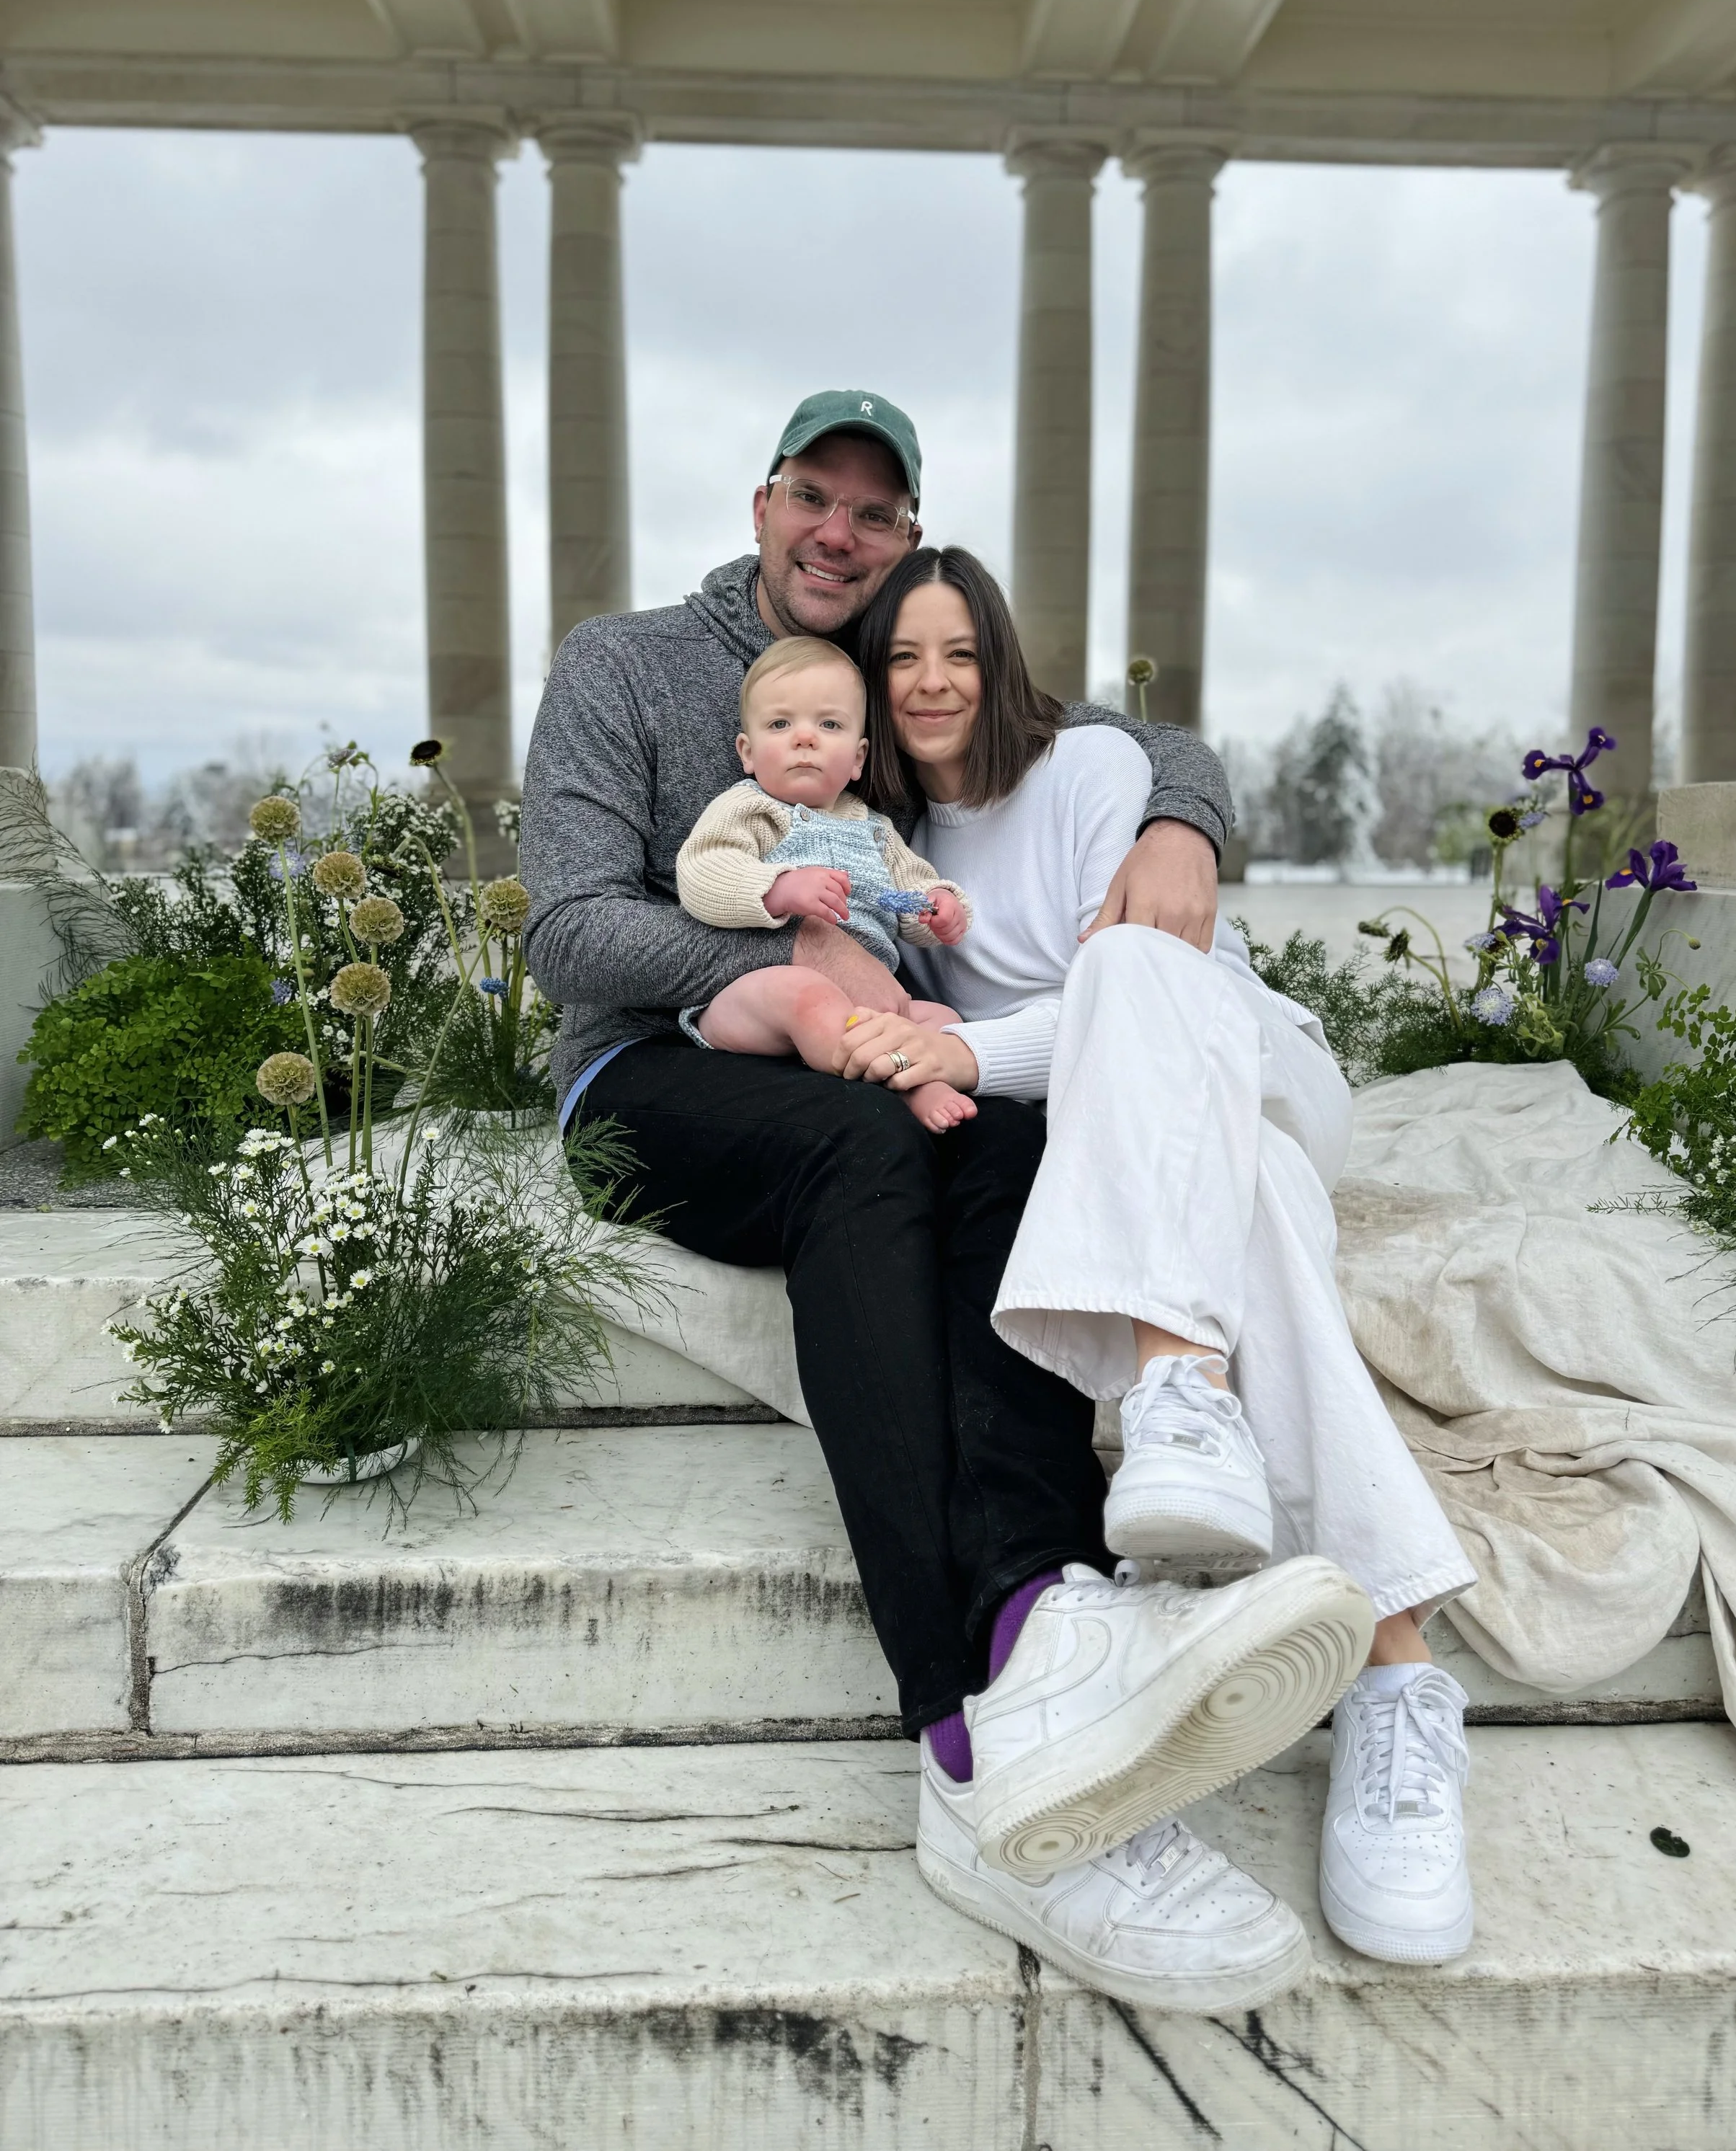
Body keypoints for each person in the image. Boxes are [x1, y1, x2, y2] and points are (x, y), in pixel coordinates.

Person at [522, 388, 1360, 2018]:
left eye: (877, 511)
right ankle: (971, 1736)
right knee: (871, 1148)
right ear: (762, 506)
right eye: (813, 498)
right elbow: (567, 930)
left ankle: (1053, 1614)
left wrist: (1184, 814)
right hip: (653, 1074)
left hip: (888, 1059)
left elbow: (1102, 729)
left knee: (1010, 1142)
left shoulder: (905, 671)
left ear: (908, 541)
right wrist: (799, 974)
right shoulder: (622, 666)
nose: (840, 531)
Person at [841, 544, 1482, 1974]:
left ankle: (1180, 1387)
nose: (932, 682)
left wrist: (949, 1044)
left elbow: (1131, 986)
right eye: (901, 660)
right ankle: (1394, 1675)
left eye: (957, 651)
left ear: (999, 660)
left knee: (1130, 971)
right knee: (1249, 1229)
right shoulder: (889, 849)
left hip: (1232, 1061)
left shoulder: (1082, 772)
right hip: (1121, 1140)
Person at [674, 634, 978, 1134]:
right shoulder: (750, 807)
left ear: (858, 758)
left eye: (829, 724)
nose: (805, 737)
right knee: (808, 994)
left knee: (943, 1018)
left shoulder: (874, 828)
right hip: (759, 994)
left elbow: (898, 894)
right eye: (780, 723)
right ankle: (901, 1083)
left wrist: (935, 906)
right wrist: (776, 888)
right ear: (747, 753)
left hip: (864, 1002)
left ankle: (900, 1063)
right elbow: (702, 870)